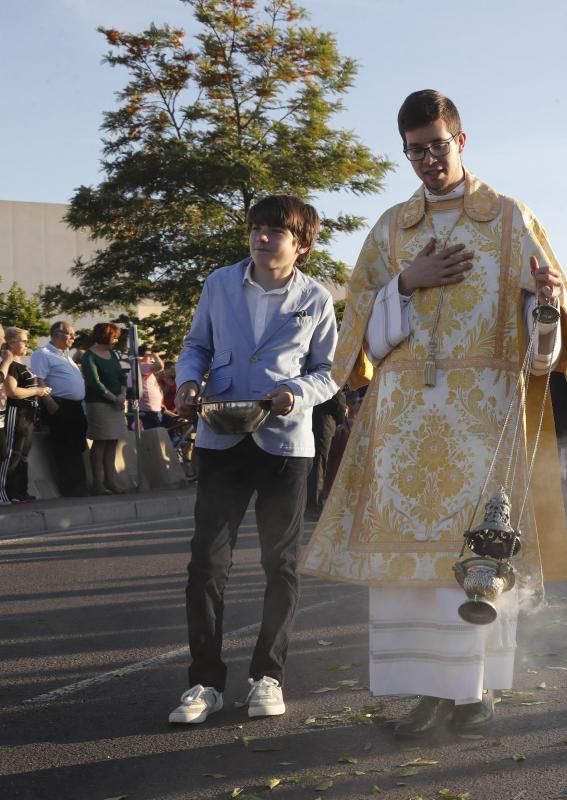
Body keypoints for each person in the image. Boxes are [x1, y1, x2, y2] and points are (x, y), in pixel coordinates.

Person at [299, 90, 567, 739]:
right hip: (405, 422)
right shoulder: (389, 228)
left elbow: (543, 354)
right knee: (407, 566)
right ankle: (432, 692)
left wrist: (545, 305)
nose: (428, 160)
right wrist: (408, 282)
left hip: (482, 421)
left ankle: (470, 688)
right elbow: (358, 340)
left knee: (476, 554)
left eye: (438, 145)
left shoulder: (510, 218)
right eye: (415, 151)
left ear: (462, 141)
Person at [168, 194, 338, 725]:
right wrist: (188, 381)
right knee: (206, 565)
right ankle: (204, 683)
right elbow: (196, 346)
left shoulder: (317, 298)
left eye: (275, 231)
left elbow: (330, 372)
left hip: (286, 445)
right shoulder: (220, 283)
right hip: (221, 437)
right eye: (256, 229)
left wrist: (295, 392)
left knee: (280, 566)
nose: (261, 238)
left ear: (302, 245)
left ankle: (268, 675)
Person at [28, 321, 88, 496]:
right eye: (69, 334)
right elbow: (39, 380)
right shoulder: (43, 354)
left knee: (77, 446)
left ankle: (80, 486)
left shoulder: (66, 355)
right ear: (56, 334)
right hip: (59, 405)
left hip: (75, 407)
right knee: (65, 448)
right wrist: (50, 403)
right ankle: (71, 489)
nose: (73, 337)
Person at [0, 327, 53, 503]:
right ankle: (7, 491)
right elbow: (12, 391)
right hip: (17, 411)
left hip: (29, 413)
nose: (26, 344)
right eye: (23, 341)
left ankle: (21, 491)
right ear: (11, 342)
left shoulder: (23, 365)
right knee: (12, 452)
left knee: (23, 453)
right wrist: (37, 390)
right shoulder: (11, 366)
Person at [80, 322, 128, 496]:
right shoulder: (89, 357)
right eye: (114, 337)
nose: (116, 341)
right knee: (100, 442)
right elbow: (94, 382)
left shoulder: (113, 354)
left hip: (116, 403)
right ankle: (98, 483)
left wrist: (122, 394)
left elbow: (121, 376)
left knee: (113, 441)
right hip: (99, 404)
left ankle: (111, 480)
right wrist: (113, 397)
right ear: (105, 336)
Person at [306, 391, 348, 521]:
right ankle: (314, 506)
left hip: (310, 423)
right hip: (323, 425)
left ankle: (309, 504)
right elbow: (339, 403)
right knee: (319, 464)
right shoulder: (330, 374)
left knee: (313, 464)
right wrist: (341, 419)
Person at [136, 345, 167, 429]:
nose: (152, 359)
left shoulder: (143, 367)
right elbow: (160, 365)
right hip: (149, 411)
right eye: (150, 356)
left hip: (152, 409)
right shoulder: (142, 365)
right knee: (153, 436)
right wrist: (155, 354)